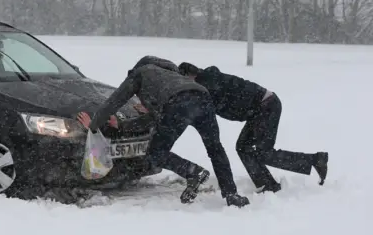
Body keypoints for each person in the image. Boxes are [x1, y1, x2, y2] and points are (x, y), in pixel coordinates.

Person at [77, 57, 250, 208]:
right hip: (203, 99)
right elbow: (156, 118)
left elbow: (112, 103)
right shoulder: (172, 76)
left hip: (177, 104)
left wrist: (93, 125)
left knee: (155, 153)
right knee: (215, 148)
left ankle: (193, 172)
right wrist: (122, 125)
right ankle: (231, 194)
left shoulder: (140, 74)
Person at [177, 62, 329, 193]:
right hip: (259, 110)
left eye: (185, 81)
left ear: (190, 75)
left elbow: (206, 112)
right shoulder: (208, 82)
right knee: (243, 147)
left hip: (267, 106)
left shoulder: (208, 85)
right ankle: (268, 184)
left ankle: (315, 160)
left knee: (264, 152)